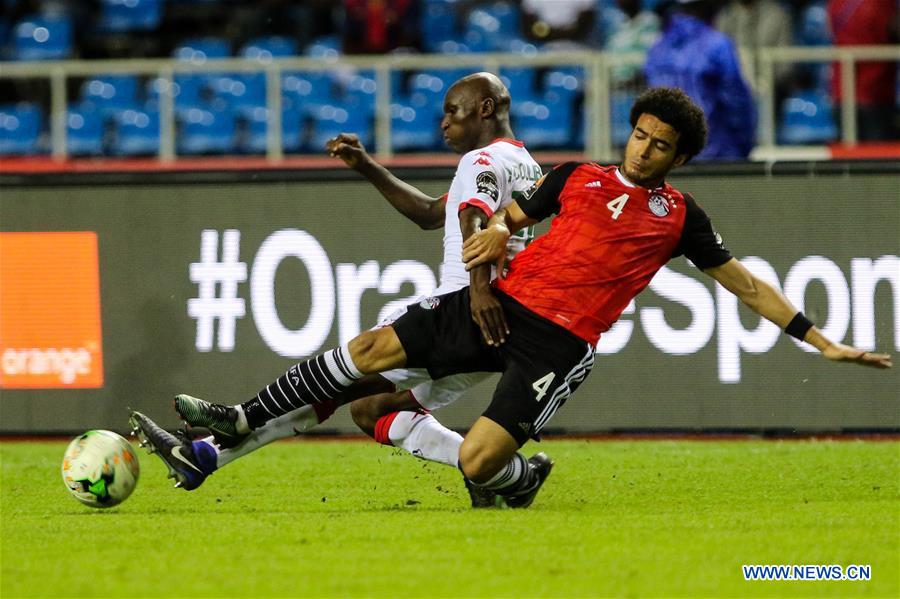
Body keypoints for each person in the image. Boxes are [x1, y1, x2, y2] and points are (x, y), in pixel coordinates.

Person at [132, 87, 892, 509]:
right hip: (501, 304)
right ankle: (235, 421)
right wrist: (493, 244)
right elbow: (502, 218)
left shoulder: (681, 217)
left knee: (475, 459)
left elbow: (745, 281)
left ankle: (517, 478)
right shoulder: (574, 175)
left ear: (680, 157)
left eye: (660, 145)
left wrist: (820, 339)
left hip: (558, 343)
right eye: (638, 135)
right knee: (366, 357)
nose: (643, 148)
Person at [130, 72, 543, 507]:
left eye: (451, 112)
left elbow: (471, 221)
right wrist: (367, 166)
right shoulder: (525, 165)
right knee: (369, 407)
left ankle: (233, 424)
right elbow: (428, 213)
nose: (444, 123)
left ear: (485, 108)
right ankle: (507, 475)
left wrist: (477, 291)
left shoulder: (481, 161)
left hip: (463, 314)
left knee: (348, 369)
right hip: (496, 323)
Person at [644, 0, 757, 160]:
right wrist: (743, 147)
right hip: (716, 157)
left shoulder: (658, 46)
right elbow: (737, 102)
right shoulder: (717, 44)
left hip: (669, 158)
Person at [827, 0, 899, 141]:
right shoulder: (881, 4)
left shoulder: (836, 3)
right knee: (878, 158)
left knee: (850, 156)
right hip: (875, 90)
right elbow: (893, 30)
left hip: (842, 90)